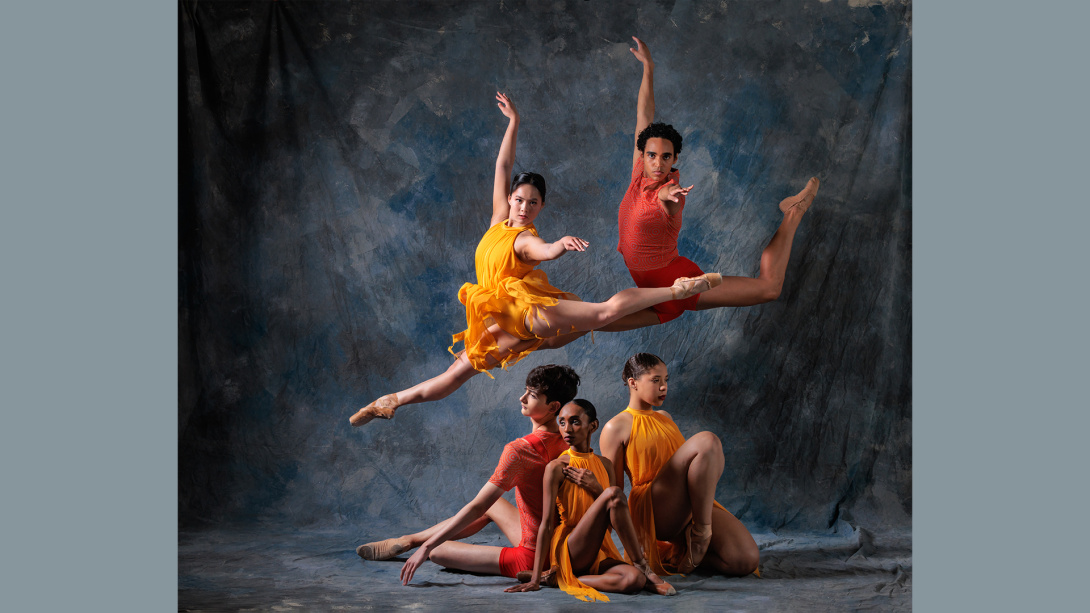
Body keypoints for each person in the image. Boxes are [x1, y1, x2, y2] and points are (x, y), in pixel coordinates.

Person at [351, 93, 720, 426]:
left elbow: (542, 252)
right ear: (510, 199)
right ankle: (392, 400)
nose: (524, 207)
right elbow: (502, 166)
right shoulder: (499, 218)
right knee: (456, 373)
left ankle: (675, 292)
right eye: (520, 199)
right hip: (512, 325)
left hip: (530, 315)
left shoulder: (526, 238)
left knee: (605, 314)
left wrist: (559, 244)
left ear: (541, 207)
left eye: (533, 203)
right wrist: (514, 123)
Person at [606, 36, 820, 331]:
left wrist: (673, 195)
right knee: (587, 323)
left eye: (666, 157)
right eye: (652, 155)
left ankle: (793, 213)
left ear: (674, 158)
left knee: (769, 288)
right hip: (649, 286)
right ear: (643, 154)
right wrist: (649, 68)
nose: (658, 163)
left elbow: (667, 197)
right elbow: (644, 114)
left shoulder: (668, 192)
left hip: (675, 284)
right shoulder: (638, 173)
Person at [599, 353, 759, 577]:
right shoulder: (615, 427)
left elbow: (690, 468)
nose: (664, 387)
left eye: (666, 380)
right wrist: (624, 547)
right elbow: (613, 492)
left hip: (686, 505)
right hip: (653, 507)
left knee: (745, 561)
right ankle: (700, 534)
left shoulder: (665, 417)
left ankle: (678, 555)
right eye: (656, 380)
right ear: (632, 383)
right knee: (708, 441)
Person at [504, 399, 675, 600]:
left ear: (593, 425)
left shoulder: (606, 465)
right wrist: (533, 579)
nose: (567, 429)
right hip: (571, 548)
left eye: (575, 421)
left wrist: (595, 488)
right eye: (562, 422)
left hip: (600, 546)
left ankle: (560, 578)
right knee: (613, 493)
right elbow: (547, 525)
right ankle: (643, 567)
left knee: (633, 581)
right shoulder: (557, 467)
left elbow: (612, 522)